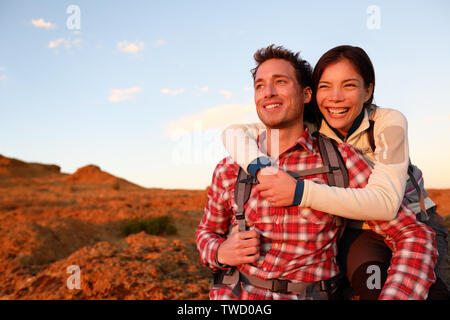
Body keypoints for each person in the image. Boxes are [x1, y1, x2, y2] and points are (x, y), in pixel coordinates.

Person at [196, 45, 437, 300]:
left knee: (381, 281)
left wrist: (300, 192)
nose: (268, 92)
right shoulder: (230, 167)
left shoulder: (343, 159)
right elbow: (205, 232)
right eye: (259, 85)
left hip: (405, 211)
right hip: (235, 297)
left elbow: (412, 232)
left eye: (280, 82)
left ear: (306, 94)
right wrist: (219, 251)